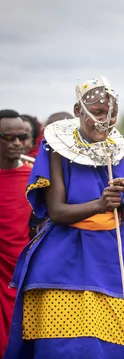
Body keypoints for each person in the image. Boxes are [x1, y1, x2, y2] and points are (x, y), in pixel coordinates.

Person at [4, 76, 124, 358]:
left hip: (111, 257)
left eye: (112, 114)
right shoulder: (56, 146)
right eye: (98, 112)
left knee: (107, 348)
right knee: (60, 347)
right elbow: (56, 212)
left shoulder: (123, 147)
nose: (105, 120)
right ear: (79, 110)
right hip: (63, 259)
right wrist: (99, 204)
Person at [0, 110, 32, 355]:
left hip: (25, 274)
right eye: (9, 137)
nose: (17, 143)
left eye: (21, 137)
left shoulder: (34, 177)